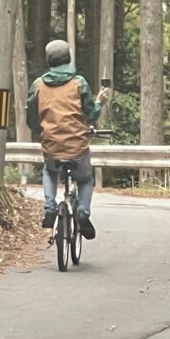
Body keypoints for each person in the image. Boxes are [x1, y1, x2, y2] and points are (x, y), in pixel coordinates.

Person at [25, 39, 102, 239]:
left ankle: (50, 208)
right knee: (85, 180)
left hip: (51, 146)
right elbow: (90, 113)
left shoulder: (39, 85)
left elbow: (31, 116)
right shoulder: (79, 83)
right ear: (68, 58)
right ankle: (83, 211)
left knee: (50, 172)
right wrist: (100, 103)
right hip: (77, 147)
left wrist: (39, 130)